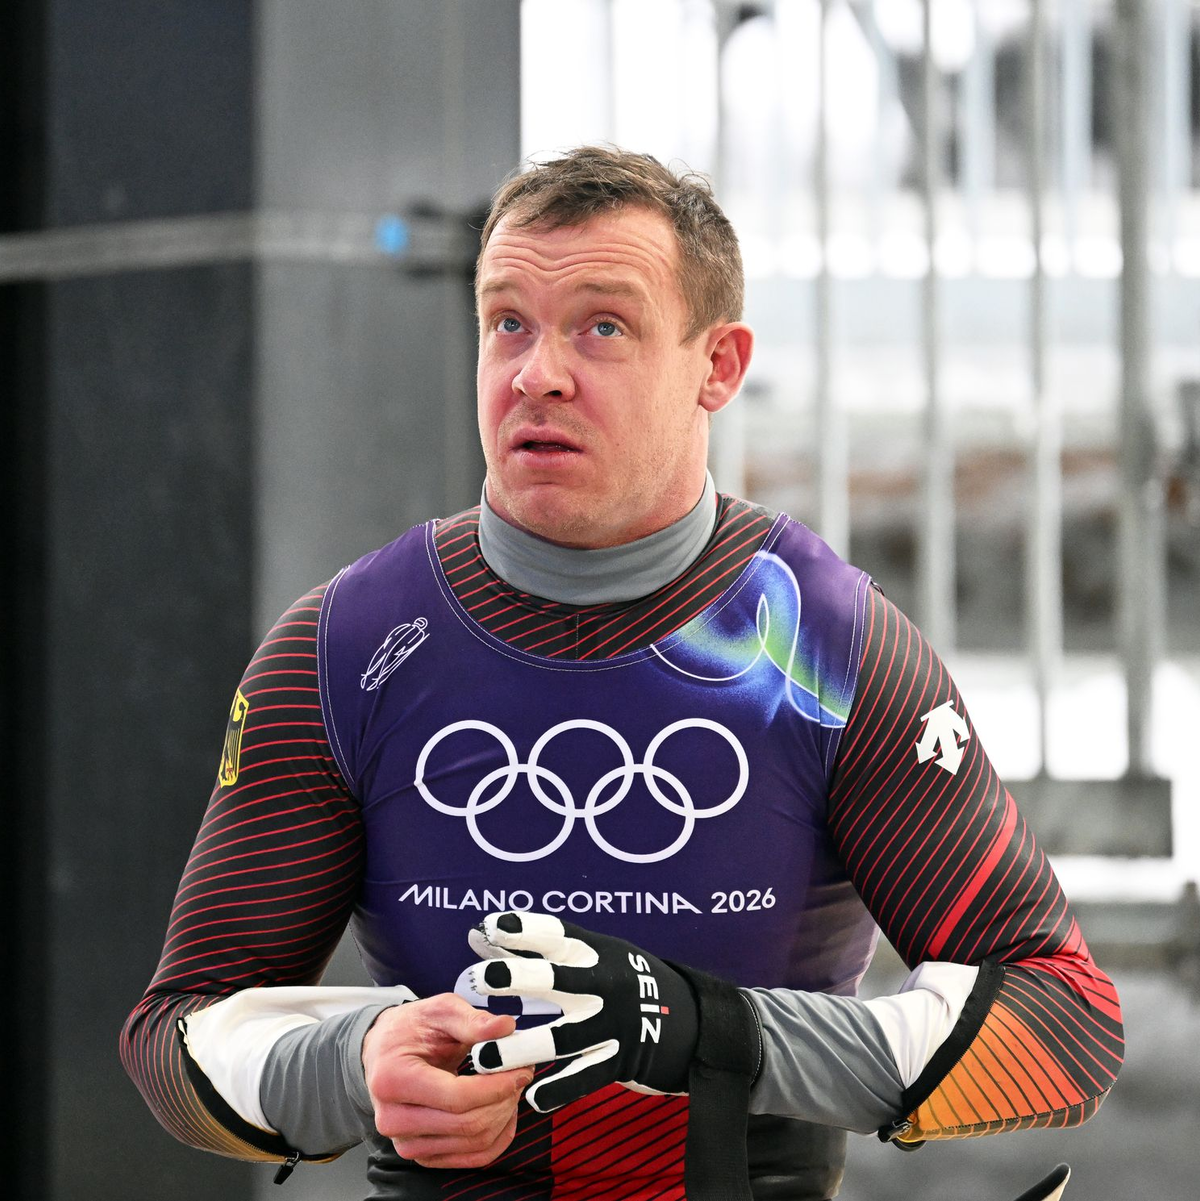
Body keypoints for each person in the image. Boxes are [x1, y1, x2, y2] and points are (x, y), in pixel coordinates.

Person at [120, 147, 1122, 1201]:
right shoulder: (346, 646)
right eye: (508, 322)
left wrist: (711, 1031)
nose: (536, 373)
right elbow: (172, 1035)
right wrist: (356, 1060)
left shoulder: (828, 645)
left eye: (603, 326)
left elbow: (1068, 1023)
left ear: (718, 366)